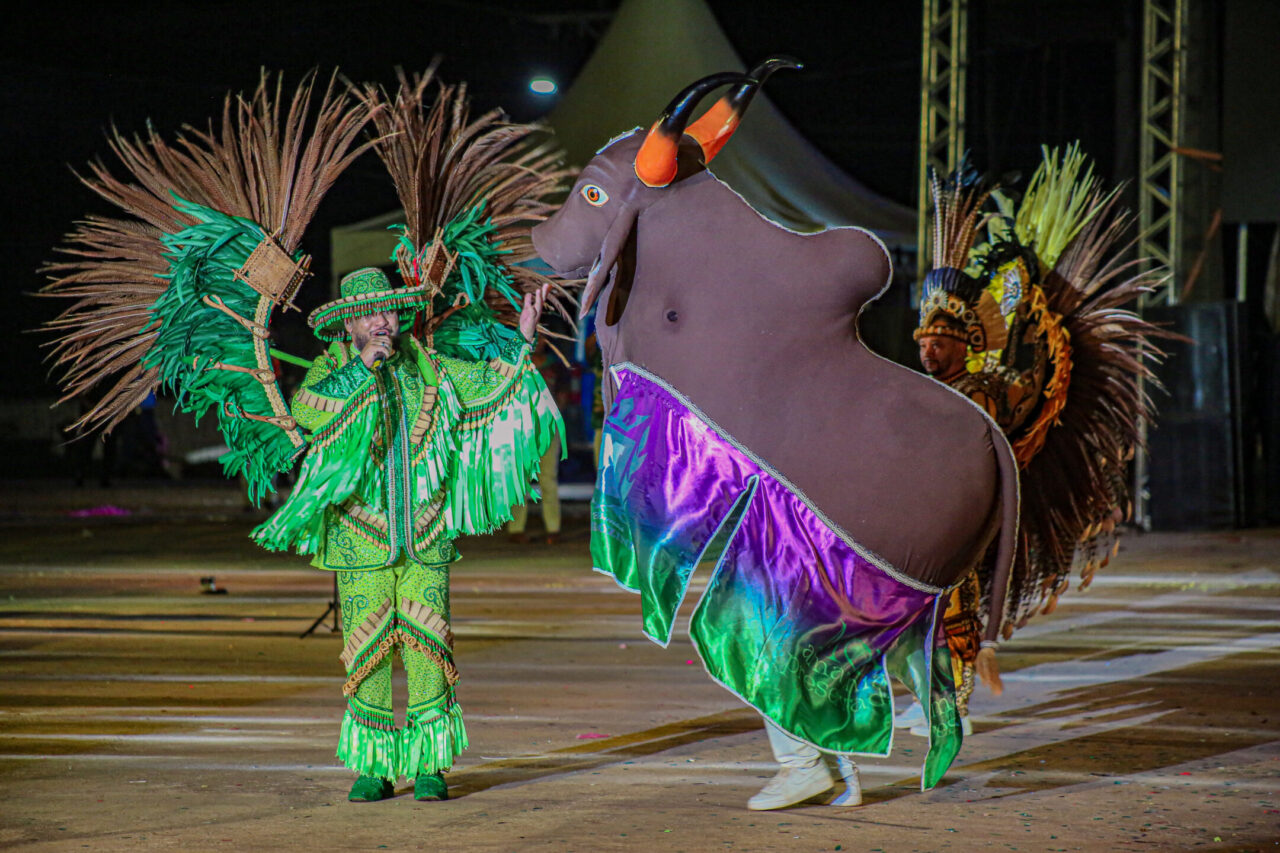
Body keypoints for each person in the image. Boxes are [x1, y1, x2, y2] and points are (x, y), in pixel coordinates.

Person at [253, 267, 561, 803]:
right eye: (370, 314)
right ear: (349, 324)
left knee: (430, 651)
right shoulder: (333, 368)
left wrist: (523, 338)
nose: (382, 322)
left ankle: (430, 764)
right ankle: (374, 767)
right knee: (367, 655)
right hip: (359, 540)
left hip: (425, 535)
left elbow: (490, 384)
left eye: (390, 312)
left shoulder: (427, 365)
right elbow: (308, 411)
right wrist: (363, 368)